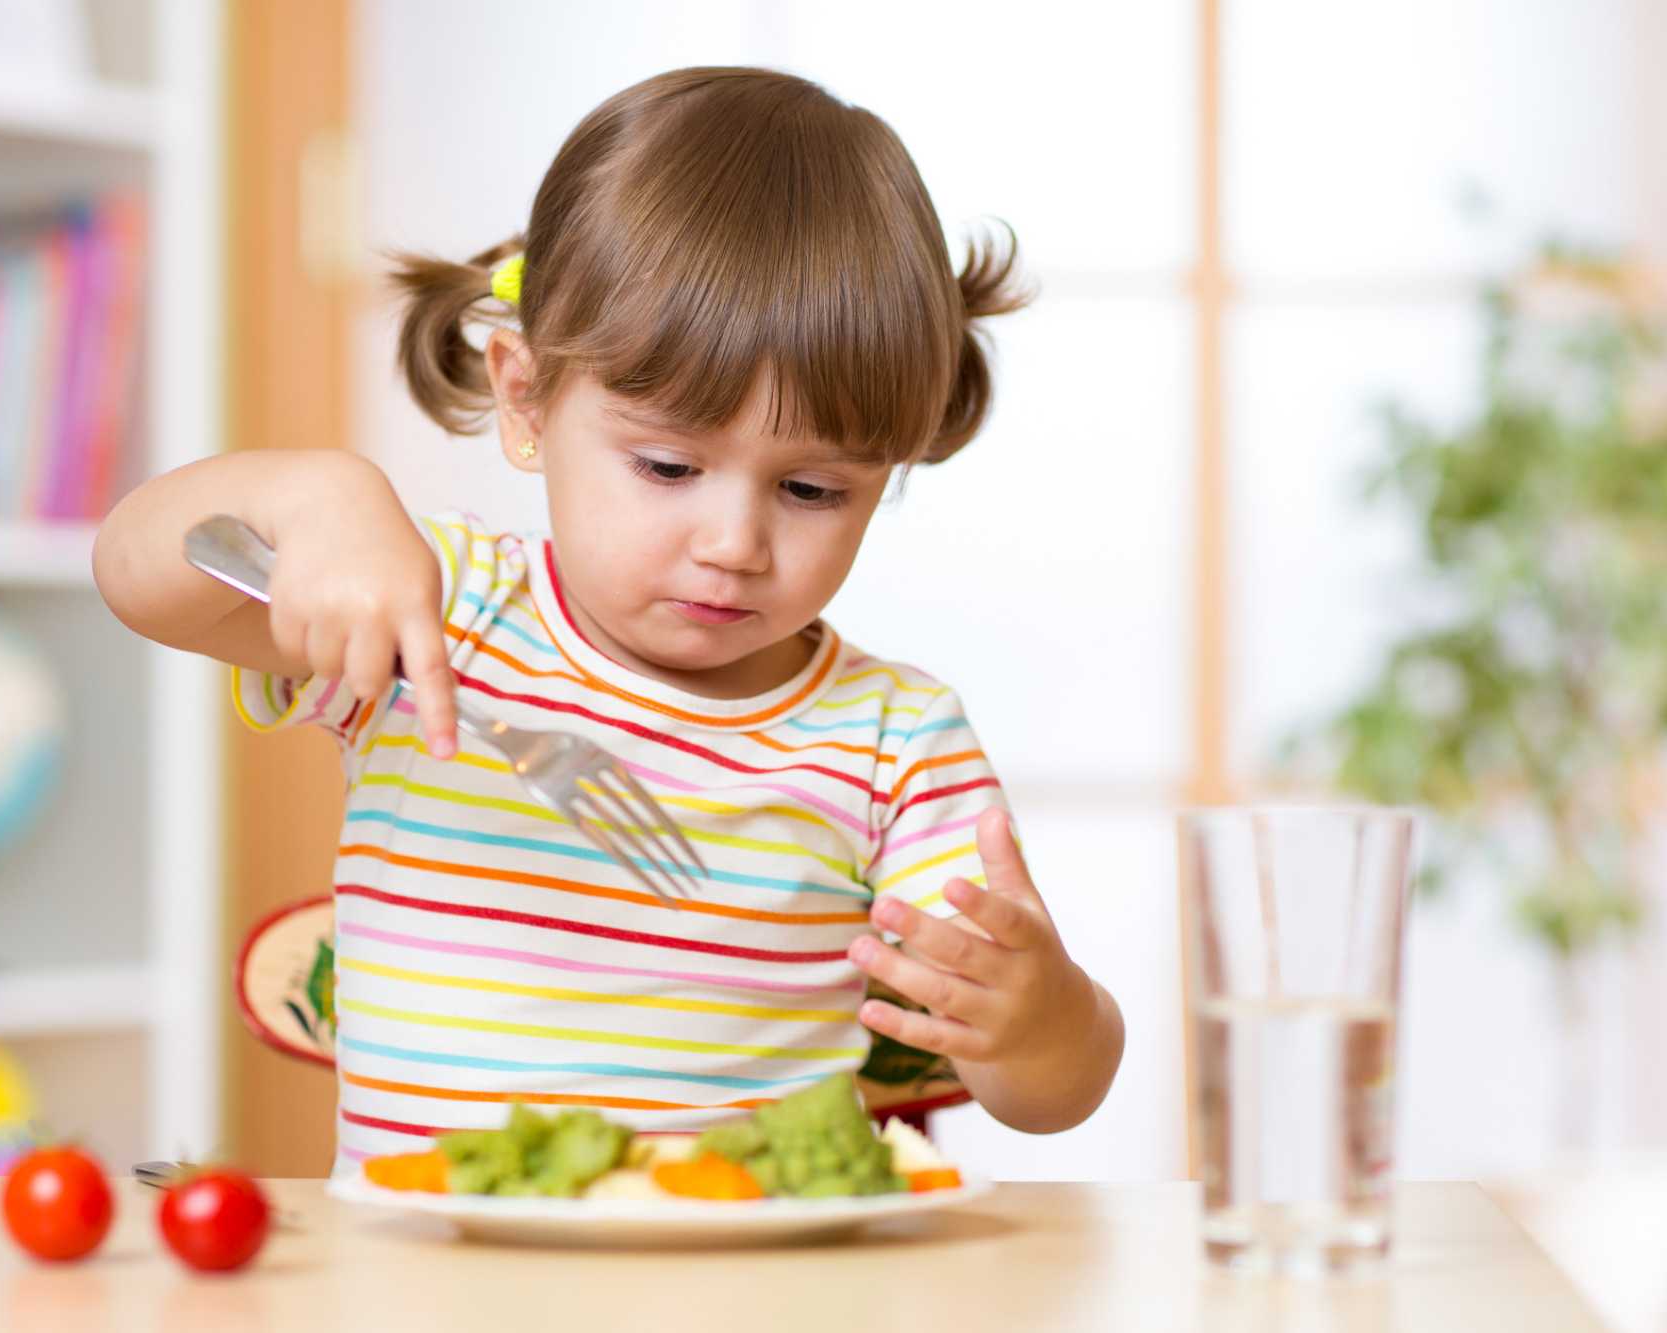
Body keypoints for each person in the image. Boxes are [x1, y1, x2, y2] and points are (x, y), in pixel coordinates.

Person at [95, 66, 1123, 1175]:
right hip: (427, 1281)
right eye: (669, 464)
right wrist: (315, 500)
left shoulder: (892, 739)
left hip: (739, 1285)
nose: (733, 541)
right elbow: (134, 572)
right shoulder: (433, 612)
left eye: (812, 491)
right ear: (526, 398)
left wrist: (1037, 1019)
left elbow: (1052, 1096)